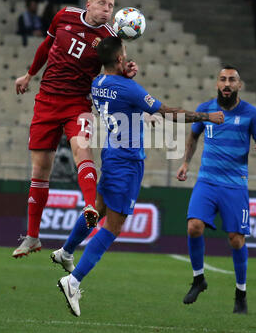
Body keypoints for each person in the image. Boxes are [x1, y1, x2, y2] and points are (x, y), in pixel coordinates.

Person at [52, 36, 224, 317]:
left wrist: (125, 73)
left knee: (98, 209)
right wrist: (206, 117)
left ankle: (66, 252)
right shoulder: (129, 88)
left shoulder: (98, 83)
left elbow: (118, 88)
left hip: (110, 154)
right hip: (127, 163)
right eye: (125, 54)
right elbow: (168, 112)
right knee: (113, 227)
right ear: (119, 59)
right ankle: (73, 280)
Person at [12, 0, 127, 258]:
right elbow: (46, 45)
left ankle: (89, 206)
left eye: (110, 6)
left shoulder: (109, 39)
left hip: (77, 104)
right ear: (89, 4)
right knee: (40, 169)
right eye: (102, 3)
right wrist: (29, 75)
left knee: (81, 150)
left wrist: (128, 72)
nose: (106, 10)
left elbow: (117, 72)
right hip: (46, 101)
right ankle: (32, 237)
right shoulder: (64, 16)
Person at [176, 65, 256, 314]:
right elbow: (193, 135)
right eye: (222, 79)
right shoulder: (206, 109)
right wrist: (186, 161)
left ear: (239, 85)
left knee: (236, 240)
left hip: (235, 185)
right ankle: (198, 279)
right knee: (193, 226)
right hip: (207, 181)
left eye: (231, 80)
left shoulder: (251, 113)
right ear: (217, 84)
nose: (226, 84)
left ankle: (241, 293)